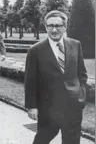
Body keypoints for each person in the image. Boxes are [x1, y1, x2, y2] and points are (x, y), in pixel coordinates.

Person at [25, 10, 88, 144]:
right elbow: (30, 81)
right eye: (50, 26)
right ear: (46, 27)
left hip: (73, 106)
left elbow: (82, 73)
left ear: (65, 27)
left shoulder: (75, 45)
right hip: (48, 109)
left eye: (58, 26)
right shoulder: (35, 50)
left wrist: (80, 93)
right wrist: (32, 106)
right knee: (41, 140)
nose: (54, 30)